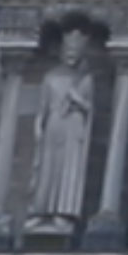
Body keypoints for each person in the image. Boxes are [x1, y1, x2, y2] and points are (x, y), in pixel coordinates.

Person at [29, 33, 102, 226]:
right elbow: (42, 107)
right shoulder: (51, 77)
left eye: (75, 51)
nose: (71, 54)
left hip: (74, 125)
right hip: (54, 123)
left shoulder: (85, 79)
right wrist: (38, 127)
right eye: (68, 50)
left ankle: (63, 211)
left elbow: (89, 108)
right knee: (47, 168)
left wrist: (77, 98)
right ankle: (40, 211)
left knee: (69, 168)